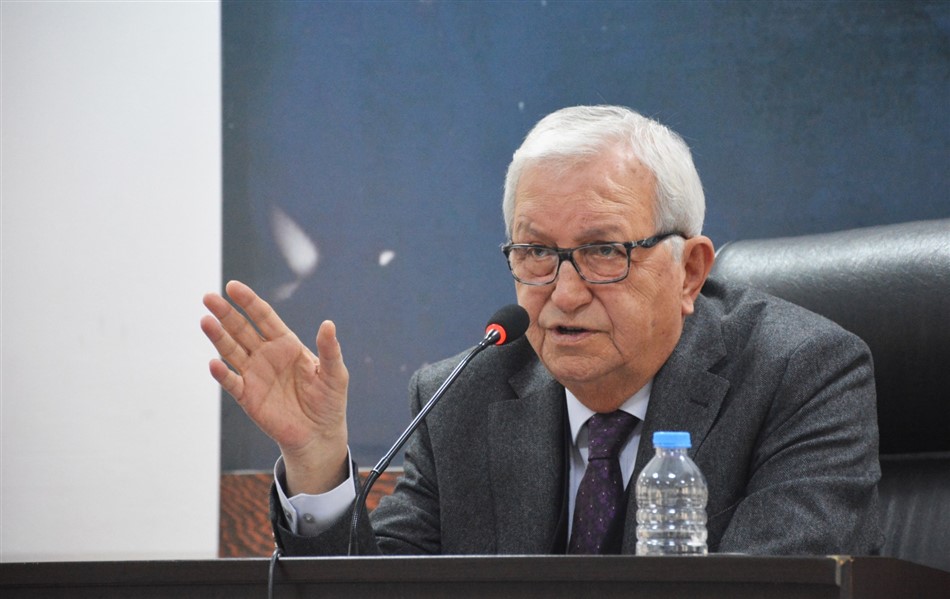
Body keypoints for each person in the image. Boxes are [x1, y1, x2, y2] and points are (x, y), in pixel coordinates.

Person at [201, 105, 883, 556]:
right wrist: (317, 460)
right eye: (535, 252)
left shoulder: (800, 374)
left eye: (604, 251)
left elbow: (776, 589)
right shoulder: (463, 397)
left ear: (690, 272)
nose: (564, 292)